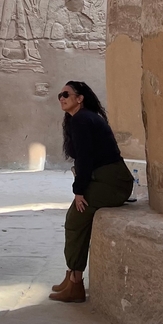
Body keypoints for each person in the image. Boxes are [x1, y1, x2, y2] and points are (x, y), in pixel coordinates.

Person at [49, 80, 133, 304]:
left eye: (66, 94)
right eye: (60, 95)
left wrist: (79, 191)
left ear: (80, 98)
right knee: (75, 220)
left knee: (75, 219)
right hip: (108, 180)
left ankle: (75, 284)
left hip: (112, 184)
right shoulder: (79, 119)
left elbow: (84, 159)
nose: (62, 98)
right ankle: (71, 276)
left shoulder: (83, 119)